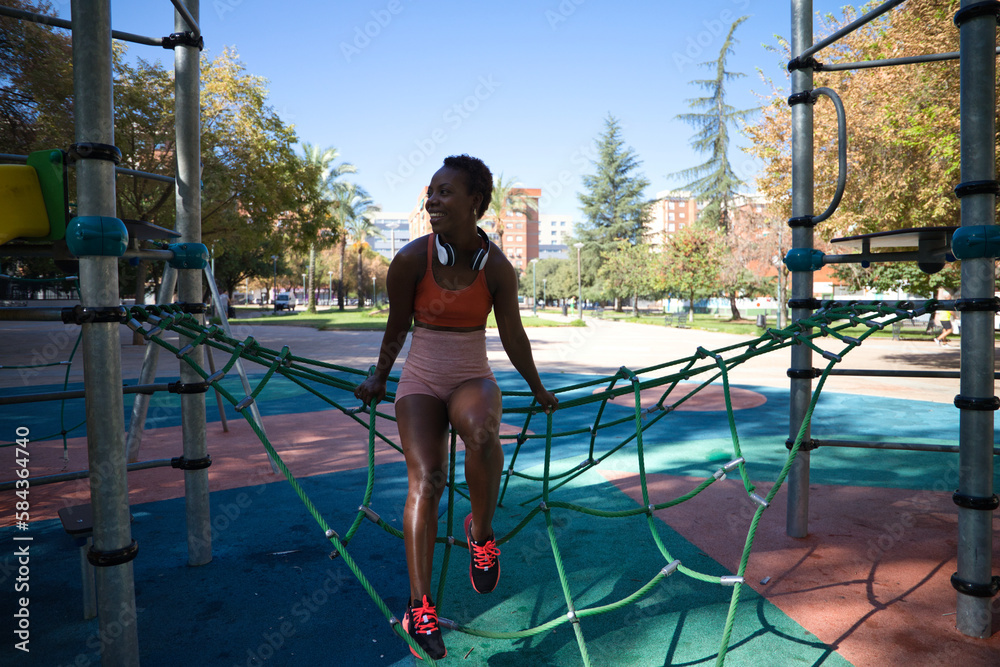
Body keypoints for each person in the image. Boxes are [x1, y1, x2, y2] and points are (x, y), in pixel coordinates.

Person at [354, 154, 558, 660]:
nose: (432, 200)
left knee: (482, 431)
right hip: (421, 376)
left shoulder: (497, 268)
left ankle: (481, 533)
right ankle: (419, 605)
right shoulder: (409, 260)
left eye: (445, 192)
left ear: (476, 202)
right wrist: (380, 375)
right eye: (431, 192)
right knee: (427, 478)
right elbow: (396, 327)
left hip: (471, 374)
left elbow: (512, 334)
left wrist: (536, 387)